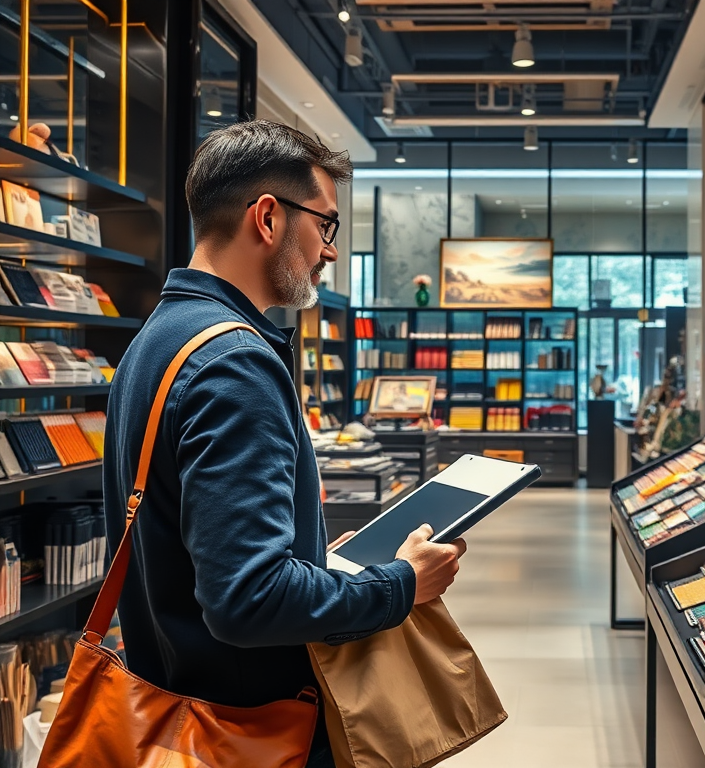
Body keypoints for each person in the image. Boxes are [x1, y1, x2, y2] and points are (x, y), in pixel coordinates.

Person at [103, 120, 466, 768]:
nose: (330, 252)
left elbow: (200, 551)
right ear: (267, 217)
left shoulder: (157, 341)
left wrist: (313, 556)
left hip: (169, 710)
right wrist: (401, 586)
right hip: (250, 733)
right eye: (325, 226)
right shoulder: (235, 363)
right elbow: (250, 599)